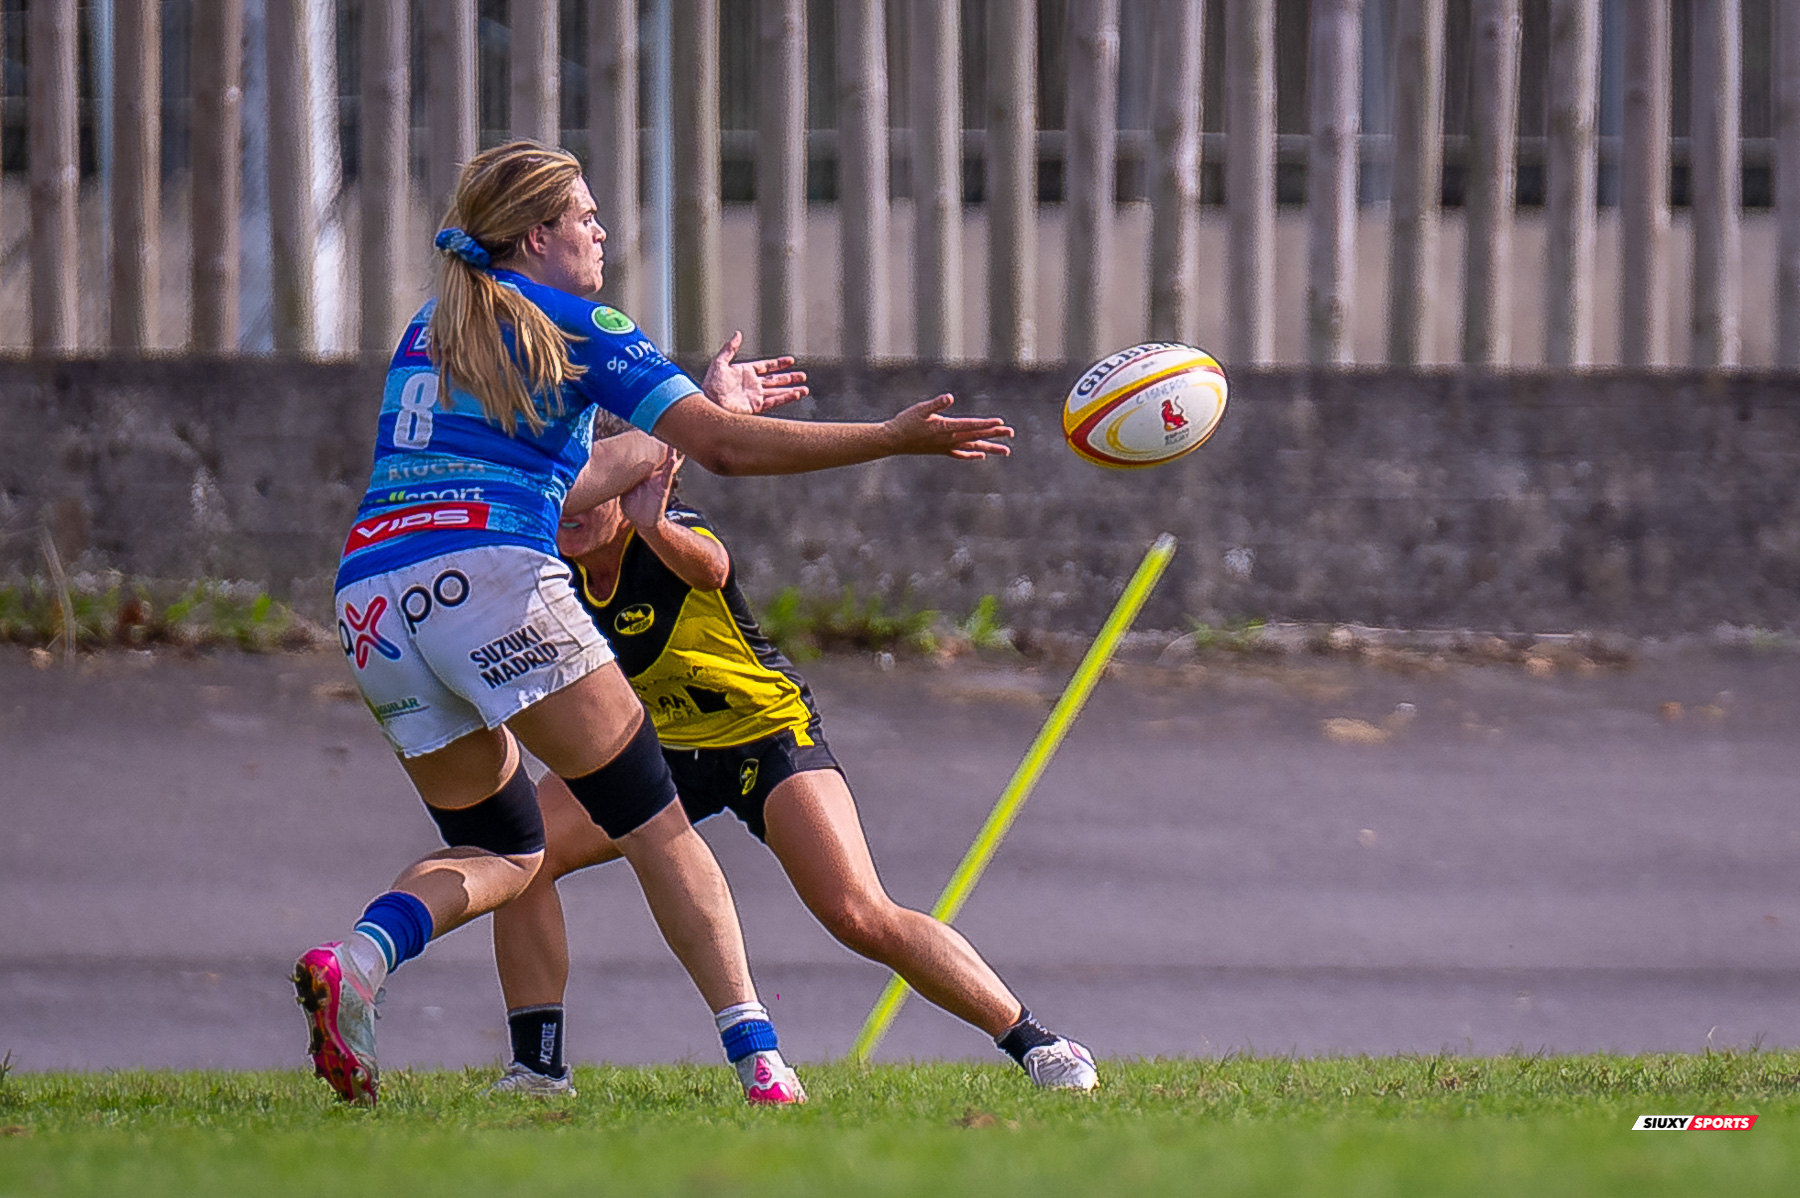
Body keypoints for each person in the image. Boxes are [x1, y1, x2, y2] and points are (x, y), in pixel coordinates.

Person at [294, 140, 1012, 1108]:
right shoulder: (580, 322)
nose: (600, 231)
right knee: (656, 820)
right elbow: (721, 450)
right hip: (497, 577)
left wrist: (694, 408)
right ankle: (761, 1062)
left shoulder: (438, 327)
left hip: (373, 594)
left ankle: (359, 957)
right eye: (584, 215)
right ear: (539, 233)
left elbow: (567, 480)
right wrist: (888, 437)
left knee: (507, 851)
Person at [485, 444, 1099, 1095]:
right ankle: (538, 1066)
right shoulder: (551, 568)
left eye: (590, 490)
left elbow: (711, 566)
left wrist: (655, 523)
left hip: (767, 738)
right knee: (523, 856)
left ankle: (1038, 1043)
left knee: (857, 912)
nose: (571, 509)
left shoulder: (671, 533)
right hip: (658, 750)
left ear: (629, 485)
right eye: (563, 492)